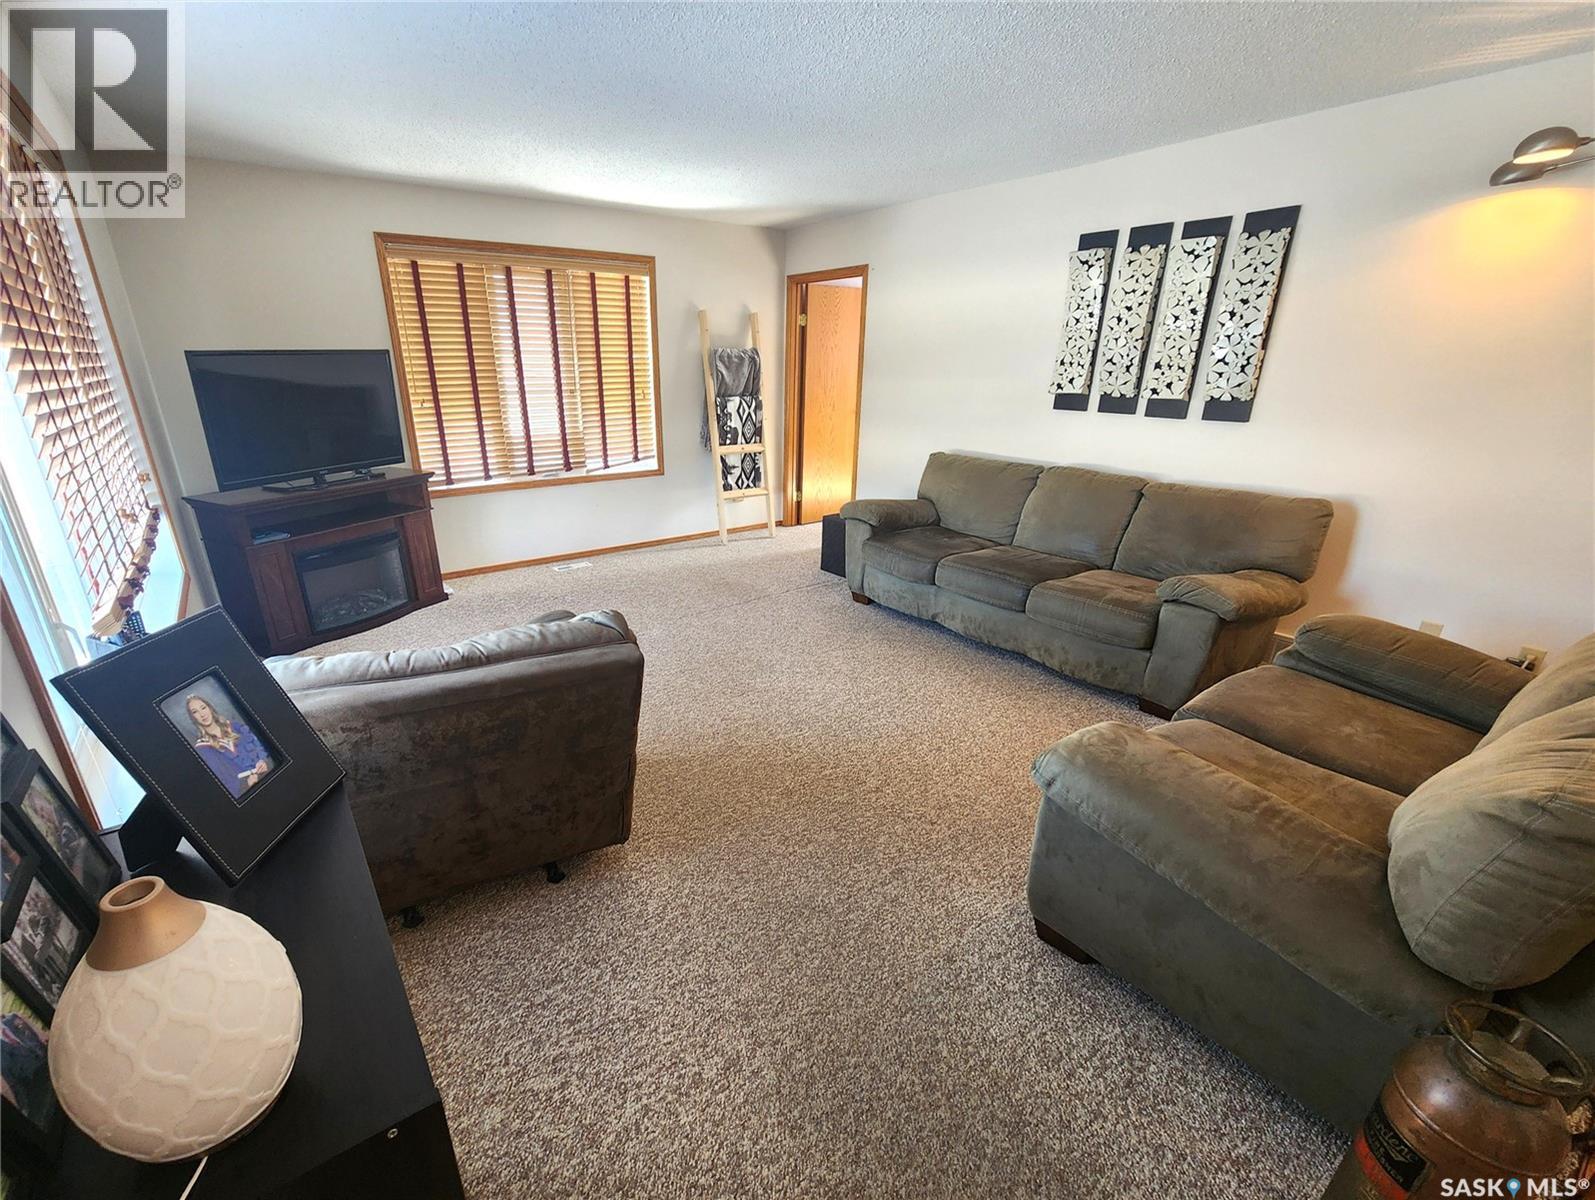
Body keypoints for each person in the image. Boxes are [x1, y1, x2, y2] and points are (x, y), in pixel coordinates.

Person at [186, 694, 272, 800]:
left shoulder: (236, 727)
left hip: (269, 776)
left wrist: (263, 760)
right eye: (195, 712)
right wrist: (246, 785)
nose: (202, 714)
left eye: (203, 708)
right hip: (248, 795)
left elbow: (260, 746)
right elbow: (222, 781)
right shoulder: (203, 749)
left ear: (210, 708)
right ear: (193, 718)